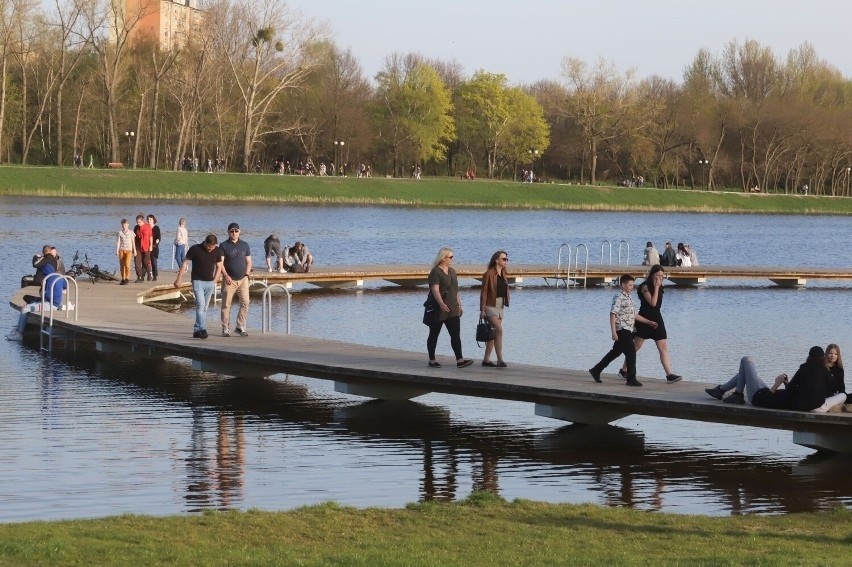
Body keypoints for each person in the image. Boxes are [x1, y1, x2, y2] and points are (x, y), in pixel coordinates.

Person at [704, 348, 845, 412]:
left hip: (758, 396)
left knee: (746, 360)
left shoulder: (803, 370)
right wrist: (785, 384)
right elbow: (832, 389)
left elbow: (768, 398)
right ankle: (722, 390)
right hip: (764, 392)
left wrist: (777, 384)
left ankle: (738, 394)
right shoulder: (800, 397)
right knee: (745, 373)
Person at [589, 274, 658, 387]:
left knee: (615, 352)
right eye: (630, 285)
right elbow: (613, 314)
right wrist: (613, 331)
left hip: (629, 329)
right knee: (631, 352)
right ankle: (631, 378)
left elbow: (633, 315)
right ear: (623, 285)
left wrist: (648, 322)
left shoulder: (629, 297)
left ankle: (596, 370)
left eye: (633, 285)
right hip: (622, 329)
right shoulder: (619, 297)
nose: (632, 287)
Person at [619, 265, 682, 383]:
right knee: (636, 347)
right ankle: (623, 370)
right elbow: (652, 303)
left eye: (662, 276)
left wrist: (658, 287)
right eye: (657, 275)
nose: (660, 278)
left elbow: (657, 306)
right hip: (644, 319)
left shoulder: (659, 286)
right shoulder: (644, 287)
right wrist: (657, 287)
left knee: (663, 347)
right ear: (652, 274)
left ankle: (669, 375)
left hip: (657, 318)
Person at [426, 247, 473, 369]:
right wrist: (441, 303)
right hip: (439, 308)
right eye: (450, 257)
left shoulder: (452, 271)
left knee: (455, 334)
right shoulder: (436, 272)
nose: (452, 259)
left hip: (452, 307)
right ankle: (432, 360)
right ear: (443, 258)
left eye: (452, 257)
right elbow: (435, 290)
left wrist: (459, 305)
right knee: (434, 334)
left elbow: (455, 290)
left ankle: (460, 360)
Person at [173, 234, 223, 339]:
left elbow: (219, 266)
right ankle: (203, 329)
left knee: (204, 308)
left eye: (213, 247)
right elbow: (185, 263)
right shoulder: (195, 249)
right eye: (209, 247)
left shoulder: (218, 250)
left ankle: (196, 331)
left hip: (210, 283)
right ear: (205, 242)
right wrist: (179, 278)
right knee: (200, 306)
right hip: (197, 282)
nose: (211, 249)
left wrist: (215, 280)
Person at [8, 263, 67, 341]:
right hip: (54, 303)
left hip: (50, 305)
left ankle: (20, 333)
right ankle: (17, 330)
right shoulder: (59, 276)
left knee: (25, 308)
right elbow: (65, 286)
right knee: (30, 304)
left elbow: (47, 296)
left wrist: (44, 286)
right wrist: (61, 291)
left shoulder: (49, 279)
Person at [219, 222, 252, 337]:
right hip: (229, 280)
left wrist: (247, 275)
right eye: (232, 231)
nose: (234, 233)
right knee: (226, 305)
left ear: (239, 232)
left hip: (243, 280)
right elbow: (220, 263)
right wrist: (226, 275)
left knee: (245, 303)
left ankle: (240, 326)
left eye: (236, 231)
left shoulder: (245, 245)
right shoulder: (223, 245)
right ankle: (225, 327)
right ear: (228, 232)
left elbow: (249, 262)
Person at [479, 250, 510, 368]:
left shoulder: (503, 273)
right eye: (504, 259)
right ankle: (500, 359)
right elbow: (484, 293)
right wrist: (482, 310)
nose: (506, 261)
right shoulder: (489, 273)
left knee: (493, 334)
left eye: (507, 259)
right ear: (496, 260)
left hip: (500, 305)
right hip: (490, 306)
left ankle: (486, 360)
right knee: (499, 330)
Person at [115, 218, 136, 285]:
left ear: (128, 225)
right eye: (123, 225)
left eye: (125, 225)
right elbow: (118, 242)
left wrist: (134, 250)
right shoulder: (120, 233)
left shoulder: (131, 232)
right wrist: (117, 250)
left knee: (127, 264)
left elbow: (133, 242)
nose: (124, 226)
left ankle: (127, 277)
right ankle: (123, 278)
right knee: (122, 265)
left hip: (129, 250)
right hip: (122, 250)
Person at [133, 214, 153, 282]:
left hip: (146, 247)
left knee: (146, 262)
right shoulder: (136, 227)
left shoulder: (147, 226)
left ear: (143, 221)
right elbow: (134, 237)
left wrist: (150, 246)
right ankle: (139, 277)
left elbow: (150, 236)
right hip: (138, 247)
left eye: (139, 222)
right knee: (137, 262)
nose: (138, 223)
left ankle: (149, 273)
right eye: (137, 222)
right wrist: (133, 248)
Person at [147, 214, 161, 282]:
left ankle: (155, 276)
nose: (149, 220)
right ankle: (144, 275)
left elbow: (158, 238)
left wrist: (155, 244)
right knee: (146, 261)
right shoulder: (146, 227)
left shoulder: (156, 228)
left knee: (153, 261)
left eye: (150, 219)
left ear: (153, 220)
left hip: (154, 247)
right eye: (148, 219)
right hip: (147, 247)